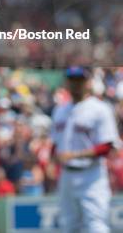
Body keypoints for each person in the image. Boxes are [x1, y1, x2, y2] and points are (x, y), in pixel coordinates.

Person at [51, 66, 120, 233]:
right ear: (66, 82)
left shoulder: (100, 109)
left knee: (95, 225)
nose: (75, 84)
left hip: (92, 175)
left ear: (88, 82)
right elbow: (56, 143)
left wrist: (75, 155)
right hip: (67, 175)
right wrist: (53, 158)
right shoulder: (59, 110)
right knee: (68, 226)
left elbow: (107, 146)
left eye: (79, 80)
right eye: (72, 80)